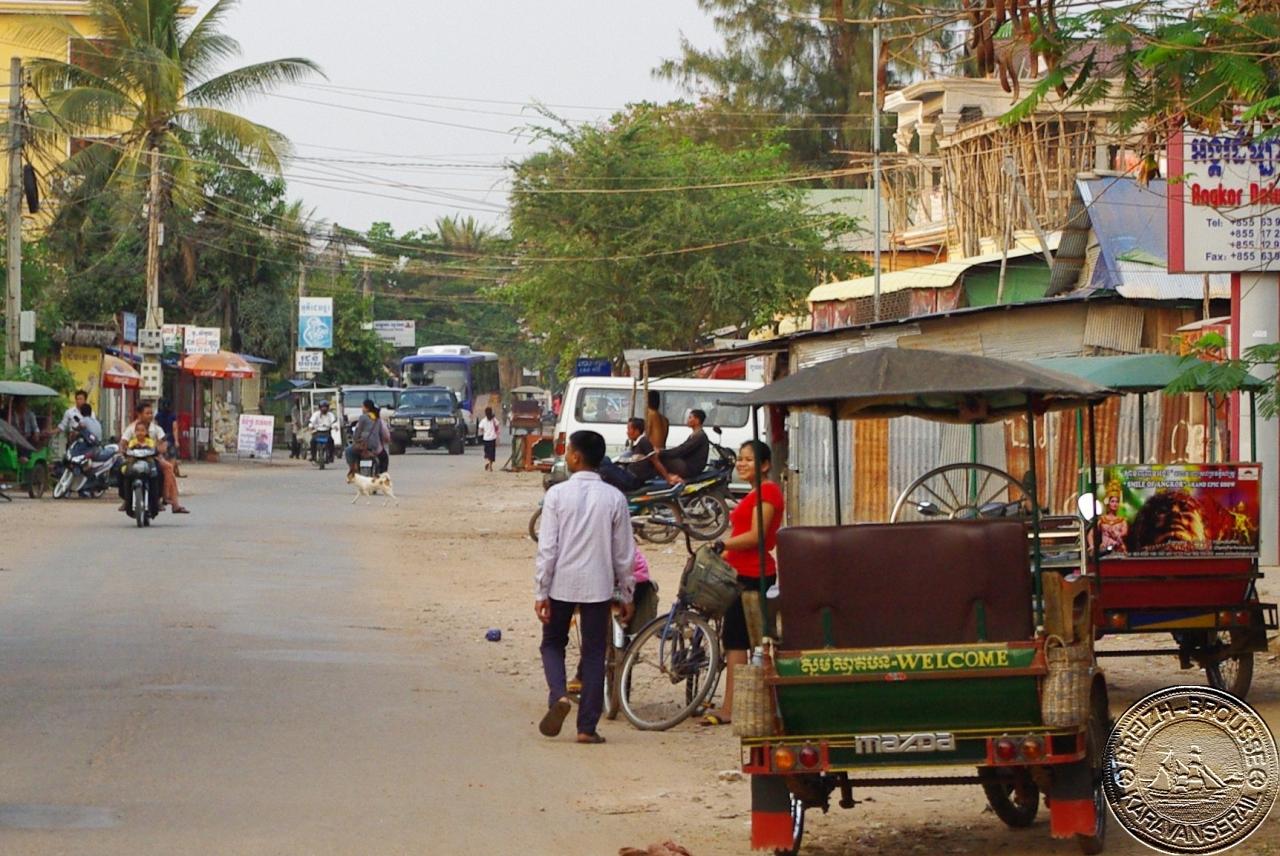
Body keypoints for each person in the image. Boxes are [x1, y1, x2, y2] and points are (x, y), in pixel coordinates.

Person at [534, 430, 635, 744]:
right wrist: (627, 591)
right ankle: (586, 728)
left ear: (576, 457)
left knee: (552, 643)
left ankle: (559, 695)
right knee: (594, 654)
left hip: (561, 583)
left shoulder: (556, 495)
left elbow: (547, 548)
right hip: (598, 586)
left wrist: (541, 591)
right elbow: (624, 553)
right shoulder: (614, 498)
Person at [701, 440, 784, 727]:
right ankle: (733, 703)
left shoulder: (768, 492)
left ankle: (730, 708)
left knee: (739, 642)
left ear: (764, 465)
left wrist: (722, 542)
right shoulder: (756, 493)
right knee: (737, 641)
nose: (741, 463)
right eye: (740, 459)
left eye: (749, 459)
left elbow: (756, 536)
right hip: (738, 572)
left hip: (753, 574)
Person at [119, 401, 188, 515]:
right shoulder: (131, 428)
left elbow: (163, 443)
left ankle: (170, 501)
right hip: (134, 458)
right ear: (139, 414)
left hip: (153, 458)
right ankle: (126, 498)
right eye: (147, 413)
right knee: (121, 470)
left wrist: (160, 449)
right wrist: (123, 450)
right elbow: (123, 442)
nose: (150, 415)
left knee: (168, 468)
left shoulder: (156, 429)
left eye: (151, 413)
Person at [598, 418, 658, 493]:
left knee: (604, 463)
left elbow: (655, 460)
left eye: (629, 429)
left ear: (636, 431)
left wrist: (669, 477)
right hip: (628, 475)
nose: (627, 432)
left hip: (632, 480)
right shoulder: (638, 443)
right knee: (605, 460)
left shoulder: (643, 441)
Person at [120, 417, 162, 519]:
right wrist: (126, 451)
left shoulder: (150, 441)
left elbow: (154, 449)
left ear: (146, 432)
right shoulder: (133, 442)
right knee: (124, 471)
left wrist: (155, 450)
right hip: (134, 461)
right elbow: (128, 449)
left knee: (156, 473)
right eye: (137, 431)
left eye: (142, 430)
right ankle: (126, 499)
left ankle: (156, 501)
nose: (140, 433)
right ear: (134, 432)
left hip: (148, 461)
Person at [655, 409, 710, 484]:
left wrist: (661, 452)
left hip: (690, 468)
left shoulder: (699, 436)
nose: (688, 420)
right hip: (686, 464)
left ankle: (669, 478)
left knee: (659, 458)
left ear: (697, 421)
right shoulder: (695, 435)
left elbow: (681, 450)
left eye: (690, 418)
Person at [344, 398, 383, 477]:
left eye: (363, 407)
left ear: (367, 408)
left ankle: (353, 469)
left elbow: (358, 431)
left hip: (364, 445)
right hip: (374, 445)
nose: (362, 409)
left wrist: (355, 440)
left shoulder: (363, 417)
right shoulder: (377, 419)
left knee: (348, 451)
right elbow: (380, 433)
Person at [479, 407, 500, 472]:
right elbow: (497, 426)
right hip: (492, 438)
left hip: (486, 439)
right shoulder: (494, 420)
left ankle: (487, 461)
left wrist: (485, 432)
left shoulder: (483, 420)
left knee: (487, 452)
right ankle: (490, 466)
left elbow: (480, 428)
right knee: (492, 453)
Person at [376, 406, 391, 475]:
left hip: (362, 449)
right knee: (384, 459)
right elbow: (386, 436)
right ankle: (383, 475)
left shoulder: (361, 420)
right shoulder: (381, 422)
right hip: (377, 449)